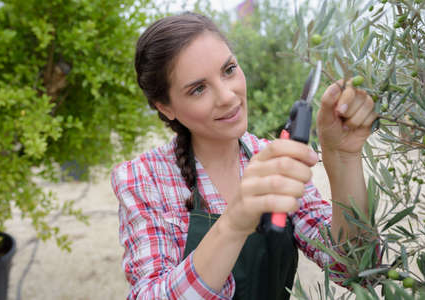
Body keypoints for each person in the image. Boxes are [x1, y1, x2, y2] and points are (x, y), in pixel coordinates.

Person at [111, 12, 377, 300]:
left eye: (229, 70)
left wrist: (343, 158)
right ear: (166, 108)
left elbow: (354, 267)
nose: (227, 95)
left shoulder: (270, 159)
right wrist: (234, 222)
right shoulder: (143, 179)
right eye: (198, 89)